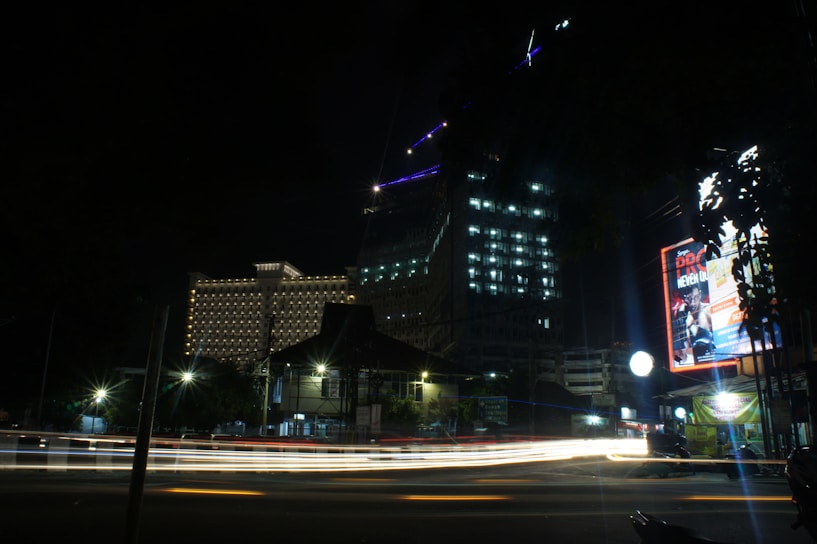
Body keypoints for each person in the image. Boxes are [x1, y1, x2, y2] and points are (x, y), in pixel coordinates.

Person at [681, 285, 715, 363]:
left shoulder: (708, 310)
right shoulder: (683, 315)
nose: (693, 302)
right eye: (689, 298)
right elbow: (684, 349)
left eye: (695, 297)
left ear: (699, 296)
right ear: (685, 299)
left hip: (713, 357)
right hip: (695, 360)